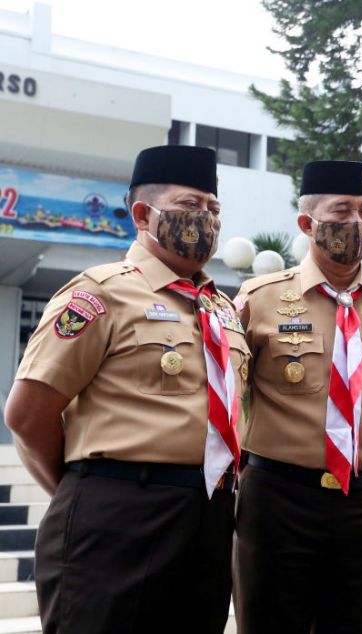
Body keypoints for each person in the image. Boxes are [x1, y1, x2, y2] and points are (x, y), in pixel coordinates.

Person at [5, 145, 246, 633]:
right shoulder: (99, 293)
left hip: (209, 518)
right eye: (189, 205)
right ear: (143, 214)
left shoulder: (222, 308)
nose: (205, 218)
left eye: (213, 209)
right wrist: (88, 492)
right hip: (117, 515)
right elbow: (28, 415)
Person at [232, 160, 362, 633]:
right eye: (342, 210)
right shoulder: (258, 299)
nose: (357, 222)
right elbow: (230, 395)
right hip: (278, 500)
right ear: (306, 223)